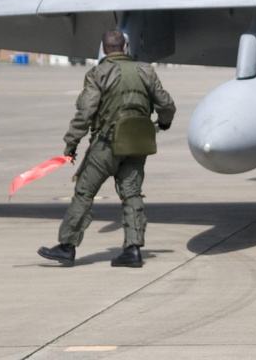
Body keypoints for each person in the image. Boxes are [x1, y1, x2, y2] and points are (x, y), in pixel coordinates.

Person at [38, 28, 176, 268]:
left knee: (84, 192)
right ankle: (133, 249)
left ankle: (67, 246)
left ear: (104, 49)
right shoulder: (146, 71)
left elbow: (85, 114)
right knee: (131, 193)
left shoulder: (97, 74)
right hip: (137, 145)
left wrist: (71, 145)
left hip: (106, 147)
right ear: (125, 48)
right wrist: (163, 123)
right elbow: (166, 104)